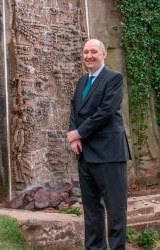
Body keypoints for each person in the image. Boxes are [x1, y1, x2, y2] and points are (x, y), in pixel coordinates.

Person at [67, 39, 131, 250]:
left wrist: (79, 133)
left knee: (115, 209)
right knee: (92, 211)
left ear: (104, 54)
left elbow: (106, 111)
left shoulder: (114, 78)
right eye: (85, 52)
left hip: (109, 154)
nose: (89, 56)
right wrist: (73, 135)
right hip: (85, 154)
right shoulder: (81, 82)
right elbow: (74, 110)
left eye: (93, 51)